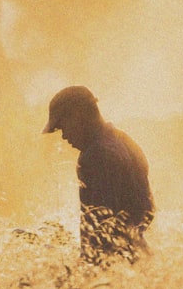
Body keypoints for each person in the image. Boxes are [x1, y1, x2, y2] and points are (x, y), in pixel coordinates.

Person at [42, 86, 154, 264]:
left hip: (115, 268)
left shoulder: (94, 157)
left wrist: (84, 275)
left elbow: (99, 231)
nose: (63, 136)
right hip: (139, 258)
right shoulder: (126, 142)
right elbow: (147, 212)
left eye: (63, 126)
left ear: (77, 116)